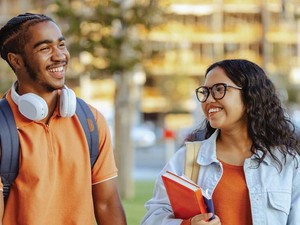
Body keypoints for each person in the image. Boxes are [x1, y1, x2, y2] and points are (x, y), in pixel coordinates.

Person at [0, 13, 127, 225]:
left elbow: (107, 204)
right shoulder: (3, 128)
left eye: (61, 45)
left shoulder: (91, 121)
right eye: (44, 48)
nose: (59, 56)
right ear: (16, 60)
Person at [141, 59, 300, 225]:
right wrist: (186, 224)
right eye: (205, 92)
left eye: (219, 89)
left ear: (250, 96)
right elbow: (151, 219)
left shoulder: (288, 163)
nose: (209, 100)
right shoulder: (186, 159)